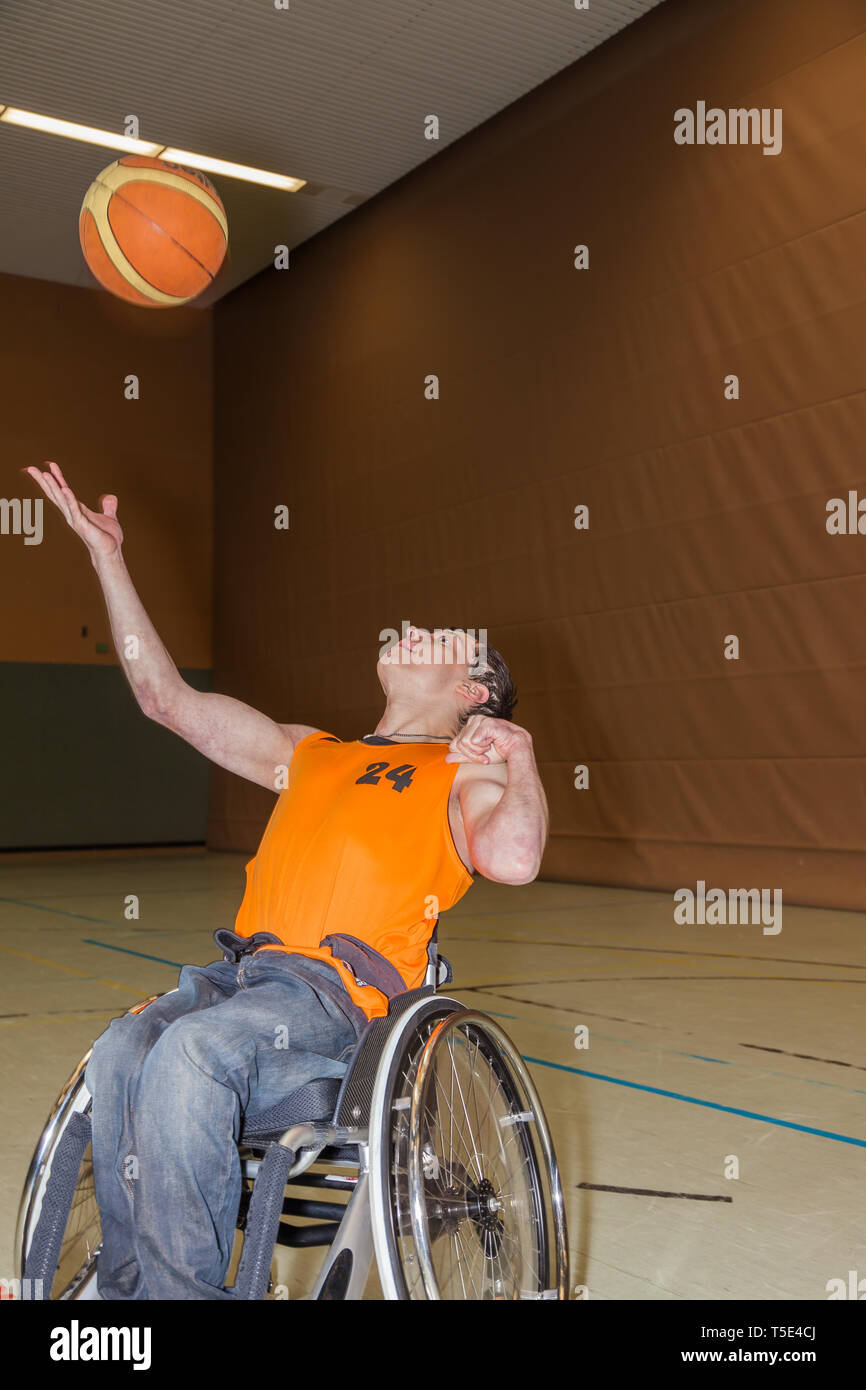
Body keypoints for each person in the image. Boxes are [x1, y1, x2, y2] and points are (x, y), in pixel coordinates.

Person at [24, 461, 550, 1300]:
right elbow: (164, 700)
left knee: (190, 1054)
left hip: (336, 1001)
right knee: (126, 1048)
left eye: (442, 637)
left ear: (474, 690)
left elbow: (517, 859)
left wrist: (516, 752)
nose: (413, 627)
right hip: (241, 977)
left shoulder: (463, 774)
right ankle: (119, 1300)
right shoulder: (309, 753)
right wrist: (106, 560)